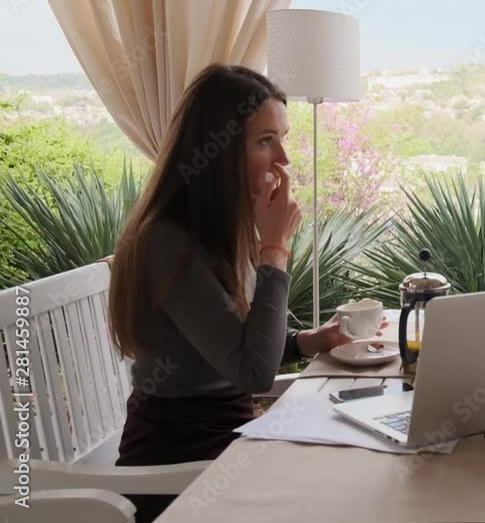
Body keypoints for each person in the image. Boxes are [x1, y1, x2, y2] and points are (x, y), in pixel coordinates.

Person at [107, 64, 385, 521]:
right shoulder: (166, 242)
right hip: (178, 469)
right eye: (264, 141)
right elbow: (252, 373)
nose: (284, 160)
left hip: (231, 440)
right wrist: (274, 251)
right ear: (217, 151)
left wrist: (307, 341)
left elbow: (235, 346)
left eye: (282, 138)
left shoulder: (221, 227)